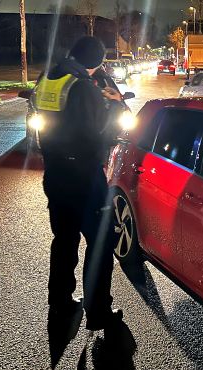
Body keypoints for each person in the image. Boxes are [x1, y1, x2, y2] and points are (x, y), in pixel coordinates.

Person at [31, 36, 124, 331]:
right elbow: (98, 134)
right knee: (100, 242)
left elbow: (39, 107)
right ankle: (98, 311)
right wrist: (113, 105)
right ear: (96, 62)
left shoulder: (50, 77)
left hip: (55, 172)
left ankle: (60, 301)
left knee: (65, 240)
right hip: (84, 176)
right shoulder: (85, 87)